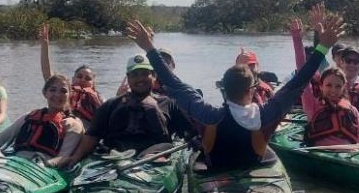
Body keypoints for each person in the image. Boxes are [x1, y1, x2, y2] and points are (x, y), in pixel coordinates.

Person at [124, 14, 343, 171]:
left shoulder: (208, 114)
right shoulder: (267, 114)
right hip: (253, 168)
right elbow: (299, 81)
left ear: (223, 90)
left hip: (216, 169)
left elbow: (172, 82)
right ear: (252, 90)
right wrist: (323, 47)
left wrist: (149, 48)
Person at [63, 50, 196, 165]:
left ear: (154, 76)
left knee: (160, 152)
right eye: (135, 74)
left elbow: (189, 133)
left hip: (154, 158)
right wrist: (75, 158)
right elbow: (92, 137)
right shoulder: (111, 105)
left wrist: (197, 139)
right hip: (114, 156)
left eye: (145, 73)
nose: (140, 79)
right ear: (128, 77)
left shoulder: (169, 104)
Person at [0, 74, 84, 168]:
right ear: (45, 93)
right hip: (15, 163)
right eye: (52, 90)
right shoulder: (30, 116)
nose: (57, 95)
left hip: (42, 168)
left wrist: (46, 165)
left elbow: (64, 157)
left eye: (63, 91)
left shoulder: (72, 124)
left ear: (69, 95)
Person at [39, 24, 103, 124]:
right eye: (79, 76)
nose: (82, 80)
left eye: (87, 78)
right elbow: (47, 74)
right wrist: (44, 45)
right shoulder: (64, 91)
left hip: (86, 129)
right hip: (61, 123)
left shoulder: (98, 98)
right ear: (72, 79)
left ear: (93, 84)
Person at [302, 66, 359, 147]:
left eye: (338, 86)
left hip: (347, 154)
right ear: (321, 86)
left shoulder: (352, 110)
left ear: (343, 88)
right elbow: (303, 74)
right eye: (328, 85)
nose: (333, 90)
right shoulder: (312, 106)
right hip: (320, 153)